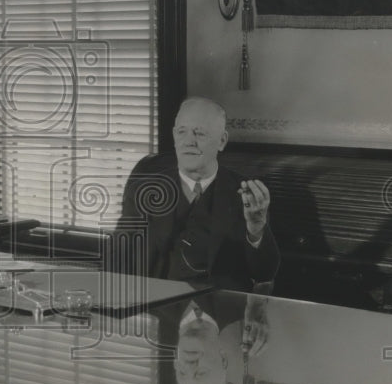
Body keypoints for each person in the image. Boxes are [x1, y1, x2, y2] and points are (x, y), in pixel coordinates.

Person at [113, 97, 280, 290]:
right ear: (174, 136)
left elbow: (265, 274)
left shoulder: (246, 193)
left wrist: (256, 228)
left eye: (200, 133)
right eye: (182, 132)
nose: (189, 142)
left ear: (222, 141)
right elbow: (119, 259)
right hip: (160, 308)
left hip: (224, 312)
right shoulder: (143, 191)